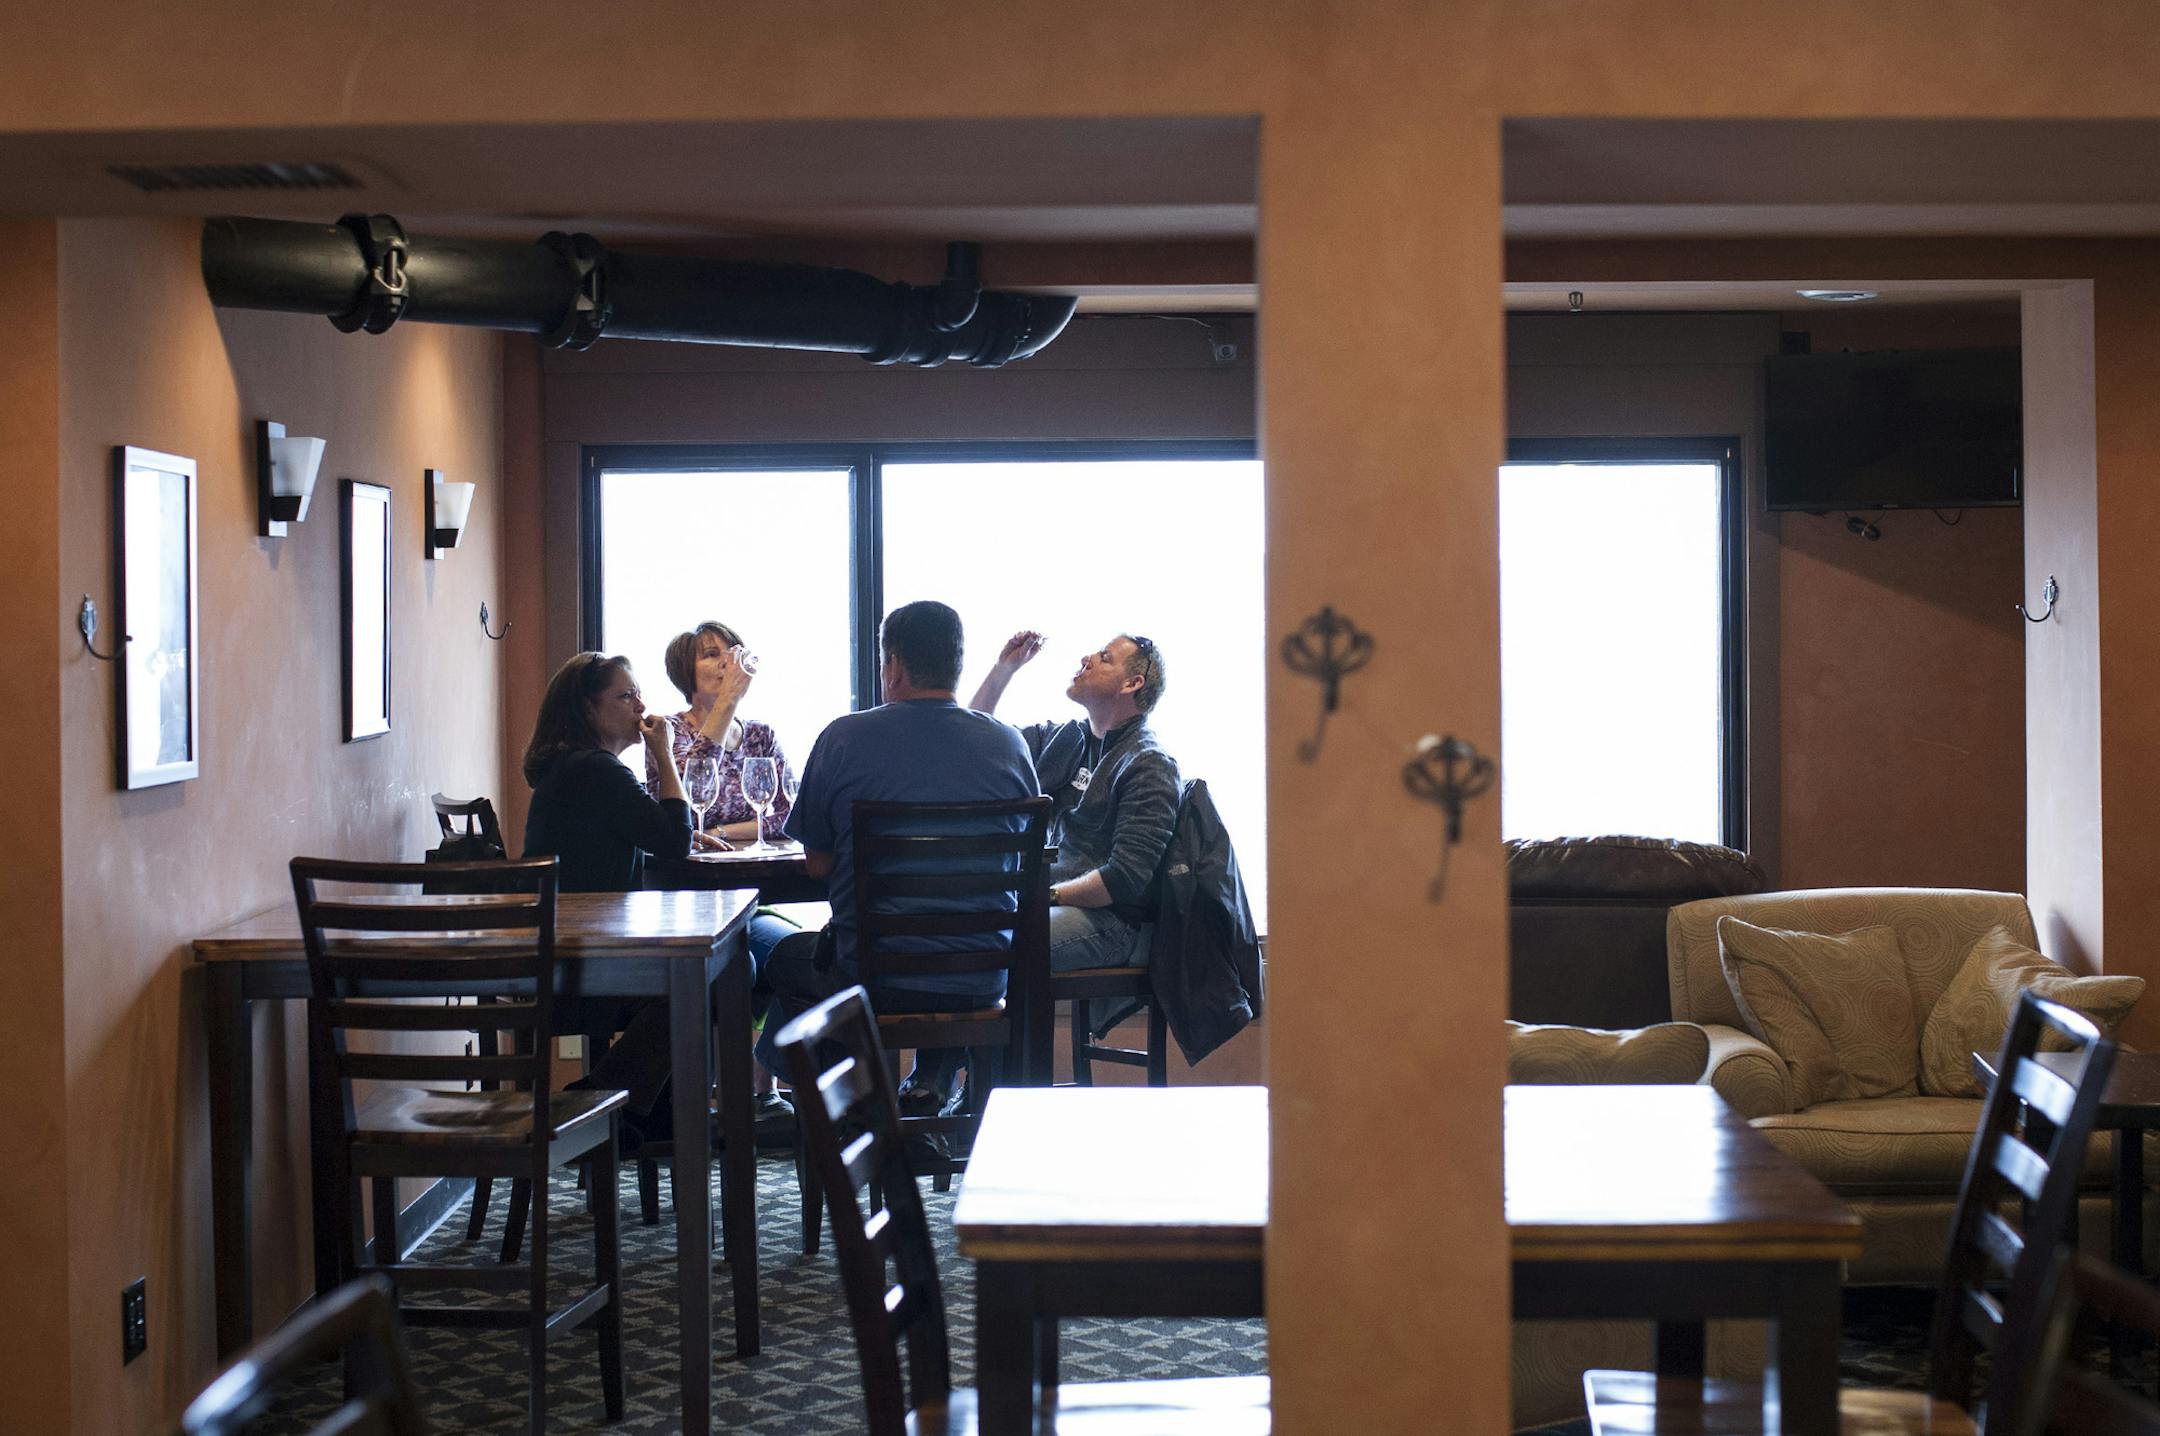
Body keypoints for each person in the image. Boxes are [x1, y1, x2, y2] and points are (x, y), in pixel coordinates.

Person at [755, 600, 1039, 1111]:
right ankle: (919, 1091)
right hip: (979, 980)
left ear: (893, 666)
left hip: (873, 981)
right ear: (956, 665)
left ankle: (850, 1112)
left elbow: (818, 865)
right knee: (846, 964)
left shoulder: (844, 737)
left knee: (784, 961)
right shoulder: (1010, 745)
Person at [520, 651, 793, 1135]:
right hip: (583, 972)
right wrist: (664, 752)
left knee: (736, 966)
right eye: (626, 696)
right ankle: (613, 1102)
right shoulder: (598, 770)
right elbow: (671, 837)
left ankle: (647, 1111)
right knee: (724, 971)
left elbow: (607, 852)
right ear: (588, 709)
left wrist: (671, 843)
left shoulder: (574, 769)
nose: (640, 705)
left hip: (569, 959)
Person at [969, 630, 1180, 976]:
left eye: (1105, 657)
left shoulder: (1148, 763)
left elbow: (1124, 878)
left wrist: (1043, 897)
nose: (1087, 659)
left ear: (1132, 683)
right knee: (961, 931)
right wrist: (1003, 670)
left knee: (986, 944)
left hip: (1111, 922)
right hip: (1048, 904)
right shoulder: (1068, 738)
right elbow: (977, 741)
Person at [648, 621, 794, 847]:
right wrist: (728, 698)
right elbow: (693, 795)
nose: (727, 663)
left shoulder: (760, 735)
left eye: (732, 654)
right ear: (686, 670)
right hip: (688, 867)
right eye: (712, 654)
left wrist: (718, 832)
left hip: (750, 859)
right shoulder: (669, 730)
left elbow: (791, 816)